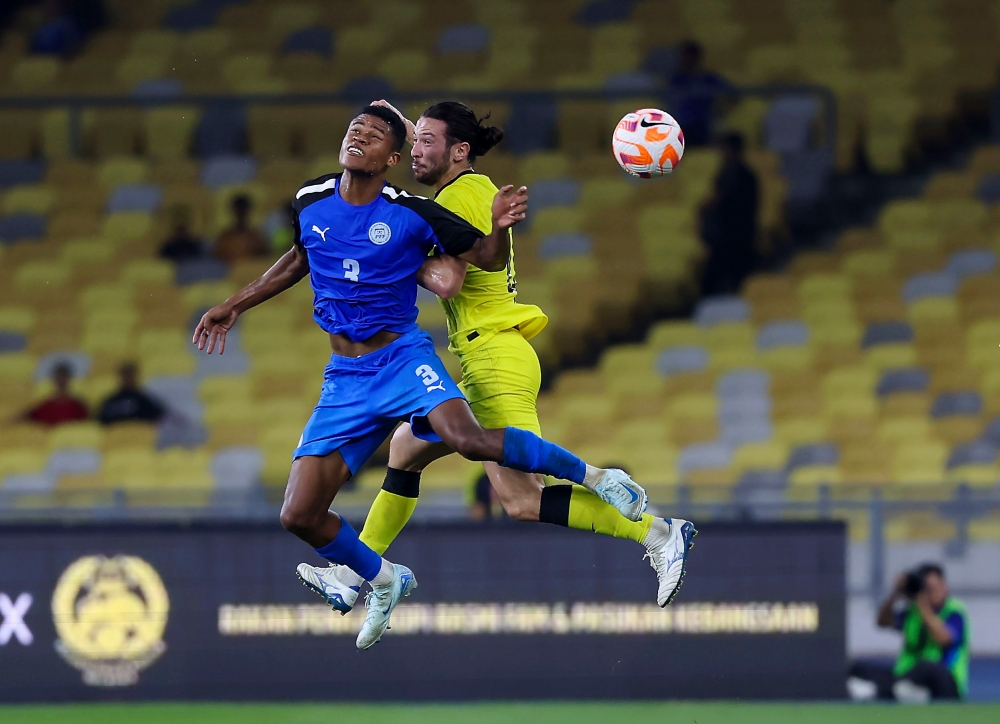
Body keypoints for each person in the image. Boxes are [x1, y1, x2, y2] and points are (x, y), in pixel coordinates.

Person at [192, 105, 650, 650]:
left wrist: (498, 227)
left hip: (404, 360)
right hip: (346, 378)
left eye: (375, 134)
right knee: (299, 514)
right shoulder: (310, 197)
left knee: (469, 441)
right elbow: (299, 258)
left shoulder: (413, 211)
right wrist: (234, 305)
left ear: (391, 157)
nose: (358, 136)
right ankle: (382, 579)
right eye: (353, 129)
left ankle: (598, 478)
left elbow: (478, 256)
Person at [320, 100, 697, 613]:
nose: (415, 150)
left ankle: (657, 533)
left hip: (493, 354)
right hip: (488, 352)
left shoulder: (463, 193)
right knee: (405, 450)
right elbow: (438, 185)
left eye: (426, 142)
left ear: (459, 151)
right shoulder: (465, 187)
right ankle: (352, 573)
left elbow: (459, 273)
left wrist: (384, 252)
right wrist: (411, 131)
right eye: (415, 140)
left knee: (523, 499)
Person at [848, 563, 969, 703]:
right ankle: (902, 691)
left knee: (928, 667)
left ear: (944, 585)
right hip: (906, 675)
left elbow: (944, 638)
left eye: (932, 588)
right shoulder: (912, 612)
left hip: (945, 681)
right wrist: (896, 593)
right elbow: (882, 622)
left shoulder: (954, 611)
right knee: (857, 667)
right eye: (926, 589)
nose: (930, 593)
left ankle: (881, 690)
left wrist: (924, 607)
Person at [699, 132, 759, 296]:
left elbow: (726, 200)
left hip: (734, 234)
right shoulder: (730, 172)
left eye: (723, 148)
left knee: (734, 278)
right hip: (730, 234)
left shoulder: (741, 175)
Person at [668, 40, 730, 147]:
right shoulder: (676, 79)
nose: (688, 60)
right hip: (682, 127)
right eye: (686, 56)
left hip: (705, 126)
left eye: (691, 57)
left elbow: (732, 93)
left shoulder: (708, 78)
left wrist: (721, 111)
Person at [97, 362, 166, 426]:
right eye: (125, 375)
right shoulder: (110, 402)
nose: (127, 379)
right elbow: (101, 422)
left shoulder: (144, 400)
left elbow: (159, 417)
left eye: (130, 375)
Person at [22, 362, 88, 426]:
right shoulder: (45, 405)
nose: (61, 380)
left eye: (63, 376)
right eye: (58, 376)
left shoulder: (77, 405)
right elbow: (25, 417)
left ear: (69, 379)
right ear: (53, 379)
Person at [213, 194, 270, 265]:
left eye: (243, 210)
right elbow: (216, 259)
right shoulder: (225, 238)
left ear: (248, 212)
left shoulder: (256, 237)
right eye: (239, 210)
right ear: (234, 211)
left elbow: (265, 257)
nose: (241, 214)